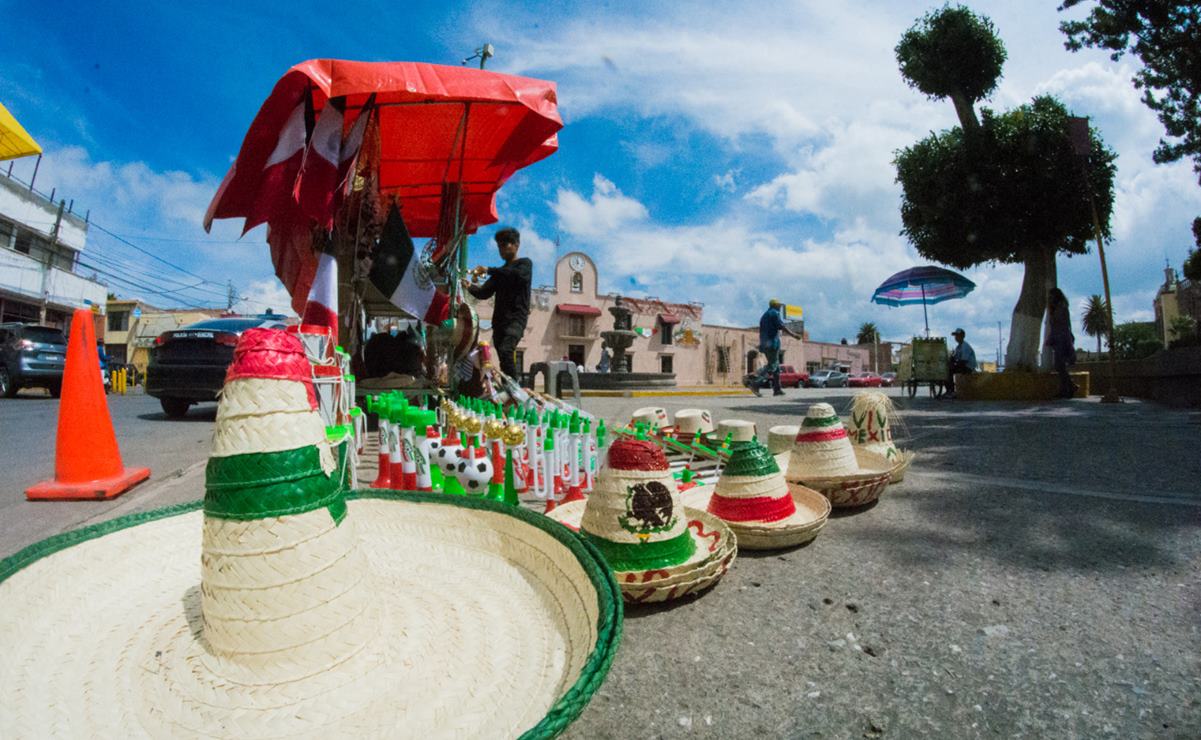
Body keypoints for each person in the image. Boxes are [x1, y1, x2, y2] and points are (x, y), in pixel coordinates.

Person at [467, 227, 531, 379]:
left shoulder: (524, 265)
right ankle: (509, 388)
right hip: (499, 322)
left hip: (516, 319)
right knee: (503, 356)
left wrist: (488, 269)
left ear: (516, 245)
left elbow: (516, 275)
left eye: (505, 244)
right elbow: (484, 293)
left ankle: (515, 389)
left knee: (506, 350)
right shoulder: (499, 273)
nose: (502, 249)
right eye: (499, 246)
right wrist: (469, 286)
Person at [752, 299, 801, 397]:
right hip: (772, 344)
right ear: (775, 305)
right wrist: (793, 335)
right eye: (779, 305)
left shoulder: (764, 315)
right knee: (772, 366)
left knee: (776, 368)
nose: (780, 307)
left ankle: (777, 389)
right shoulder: (774, 313)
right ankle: (755, 382)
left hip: (765, 344)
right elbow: (781, 326)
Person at [1046, 288, 1078, 398]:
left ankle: (1068, 388)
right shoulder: (1056, 308)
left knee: (1059, 365)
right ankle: (1069, 387)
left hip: (1062, 338)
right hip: (1058, 338)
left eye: (1051, 296)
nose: (1049, 298)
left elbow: (1062, 325)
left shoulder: (1061, 308)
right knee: (1060, 366)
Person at [944, 327, 976, 398]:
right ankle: (949, 390)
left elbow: (963, 361)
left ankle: (951, 391)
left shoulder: (965, 346)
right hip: (963, 365)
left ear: (962, 336)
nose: (956, 337)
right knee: (946, 369)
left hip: (968, 367)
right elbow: (955, 358)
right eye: (956, 336)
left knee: (950, 370)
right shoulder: (958, 347)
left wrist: (953, 364)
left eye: (958, 336)